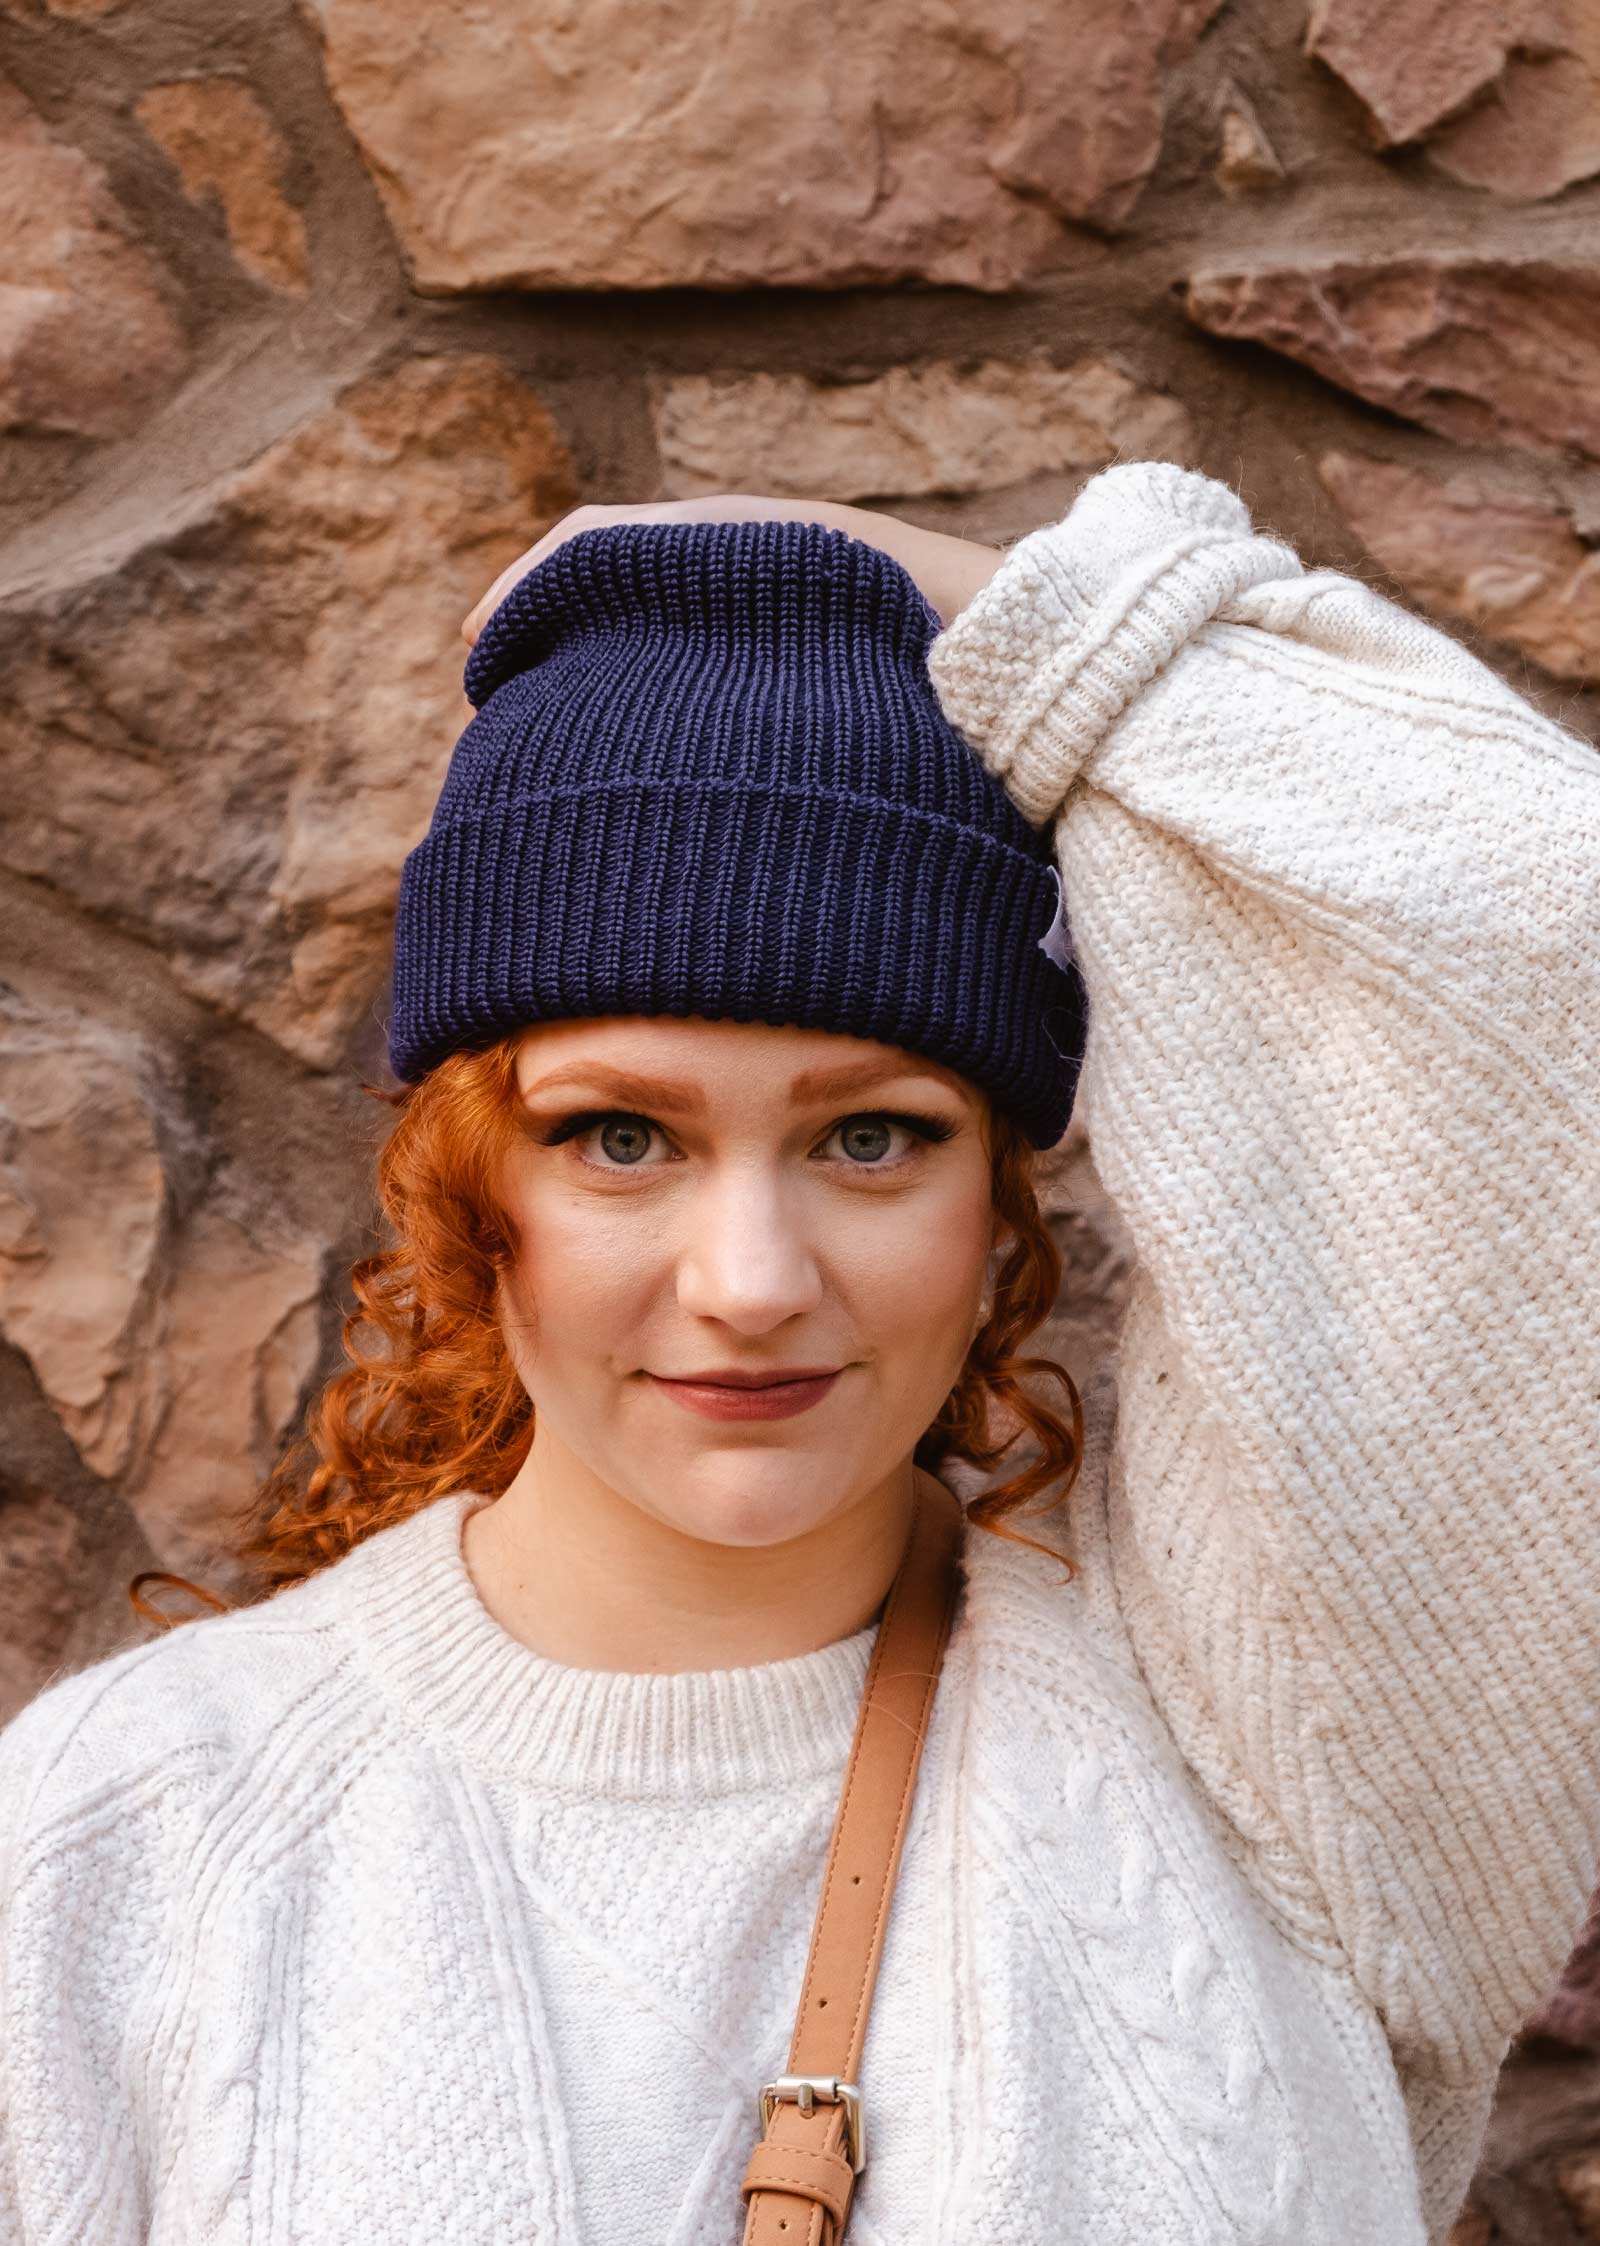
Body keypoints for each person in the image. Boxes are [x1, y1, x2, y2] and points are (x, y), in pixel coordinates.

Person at [1, 463, 1596, 2246]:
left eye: (871, 1136)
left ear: (1001, 1193)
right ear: (468, 1182)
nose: (751, 1282)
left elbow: (1553, 917)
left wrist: (996, 600)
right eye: (620, 1136)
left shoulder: (1284, 1758)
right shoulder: (119, 1835)